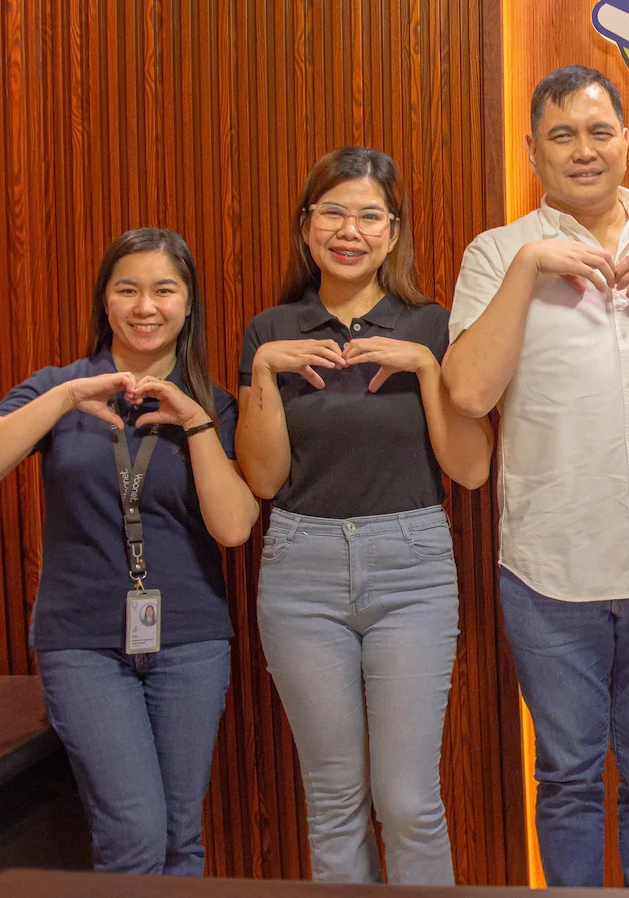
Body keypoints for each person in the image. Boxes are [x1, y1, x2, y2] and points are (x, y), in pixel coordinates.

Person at [443, 65, 629, 887]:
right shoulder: (497, 252)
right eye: (562, 135)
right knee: (567, 775)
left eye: (598, 131)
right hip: (551, 568)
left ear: (625, 139)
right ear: (534, 149)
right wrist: (529, 268)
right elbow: (468, 391)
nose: (584, 150)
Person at [235, 147, 493, 885]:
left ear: (393, 231)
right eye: (334, 212)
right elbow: (262, 478)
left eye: (369, 215)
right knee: (335, 799)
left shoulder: (432, 323)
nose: (351, 230)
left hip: (411, 564)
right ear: (307, 225)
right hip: (299, 570)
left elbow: (470, 469)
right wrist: (262, 373)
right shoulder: (272, 329)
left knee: (409, 800)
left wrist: (424, 366)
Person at [0, 228, 258, 874]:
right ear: (105, 301)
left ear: (189, 302)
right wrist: (63, 400)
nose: (146, 306)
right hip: (83, 643)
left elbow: (233, 526)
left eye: (164, 289)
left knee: (179, 837)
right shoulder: (58, 386)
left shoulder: (215, 404)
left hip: (191, 641)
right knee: (134, 839)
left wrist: (194, 419)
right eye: (128, 289)